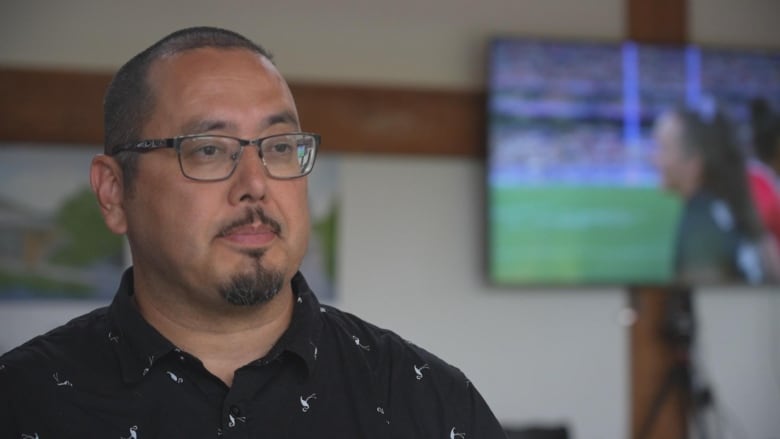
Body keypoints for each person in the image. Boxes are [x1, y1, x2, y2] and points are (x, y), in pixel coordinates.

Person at [0, 27, 507, 438]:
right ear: (114, 192)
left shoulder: (430, 402)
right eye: (208, 149)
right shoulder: (22, 404)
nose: (256, 185)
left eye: (280, 146)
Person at [653, 103, 769, 284]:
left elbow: (708, 307)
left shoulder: (702, 228)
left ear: (694, 163)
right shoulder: (730, 208)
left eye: (664, 149)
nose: (655, 159)